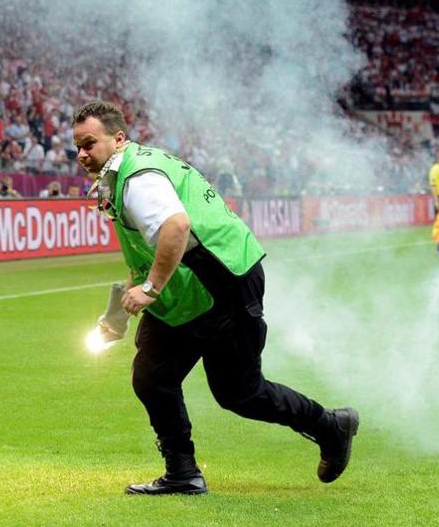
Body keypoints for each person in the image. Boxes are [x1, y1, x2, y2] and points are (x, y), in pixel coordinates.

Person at [73, 100, 358, 496]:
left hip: (224, 280)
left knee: (239, 392)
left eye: (89, 143)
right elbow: (146, 250)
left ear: (118, 139)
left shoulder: (137, 178)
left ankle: (330, 425)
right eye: (77, 147)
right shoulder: (125, 172)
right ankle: (182, 473)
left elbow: (176, 226)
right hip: (191, 286)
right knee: (152, 375)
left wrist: (151, 289)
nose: (82, 154)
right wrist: (118, 315)